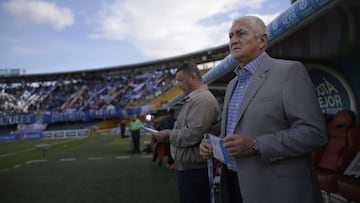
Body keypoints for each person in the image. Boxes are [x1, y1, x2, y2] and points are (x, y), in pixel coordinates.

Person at [199, 16, 328, 203]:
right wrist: (215, 147)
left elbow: (314, 133)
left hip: (276, 190)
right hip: (234, 184)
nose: (234, 40)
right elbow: (235, 135)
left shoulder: (289, 72)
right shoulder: (232, 84)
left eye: (241, 33)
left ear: (262, 40)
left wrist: (256, 144)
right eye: (230, 36)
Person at [154, 62, 221, 203]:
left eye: (180, 80)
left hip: (196, 169)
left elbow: (193, 134)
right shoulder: (194, 99)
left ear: (193, 77)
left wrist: (168, 135)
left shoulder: (203, 100)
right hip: (189, 166)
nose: (178, 85)